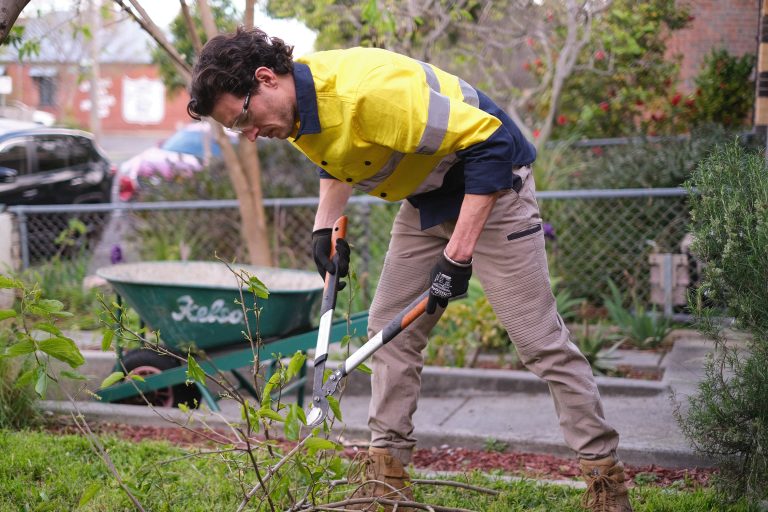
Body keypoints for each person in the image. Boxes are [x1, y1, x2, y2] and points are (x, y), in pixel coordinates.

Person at [187, 27, 633, 512]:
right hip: (427, 197)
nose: (251, 135)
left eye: (245, 119)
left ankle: (604, 478)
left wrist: (457, 256)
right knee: (389, 333)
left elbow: (492, 142)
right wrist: (324, 226)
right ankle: (387, 479)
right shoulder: (292, 112)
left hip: (493, 187)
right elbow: (334, 158)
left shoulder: (366, 93)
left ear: (266, 78)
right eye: (237, 130)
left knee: (538, 340)